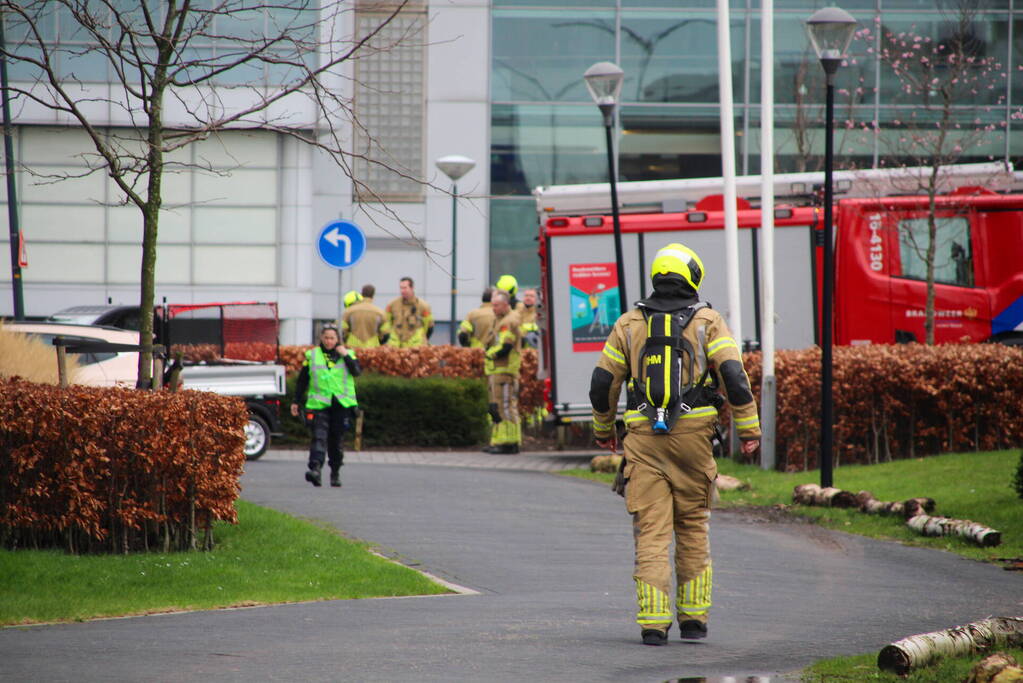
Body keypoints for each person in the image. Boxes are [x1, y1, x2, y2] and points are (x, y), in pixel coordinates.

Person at [588, 242, 761, 646]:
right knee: (693, 526)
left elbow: (601, 383)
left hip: (643, 440)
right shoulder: (708, 321)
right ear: (692, 277)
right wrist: (750, 430)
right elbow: (734, 377)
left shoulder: (629, 324)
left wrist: (603, 429)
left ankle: (652, 623)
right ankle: (694, 619)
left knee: (651, 533)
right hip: (694, 438)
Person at [291, 324, 361, 488]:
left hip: (341, 405)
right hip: (319, 405)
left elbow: (357, 371)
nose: (329, 341)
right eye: (326, 338)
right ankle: (315, 470)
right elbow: (303, 380)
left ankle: (335, 473)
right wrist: (296, 401)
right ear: (321, 338)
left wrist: (346, 356)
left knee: (336, 442)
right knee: (319, 437)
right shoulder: (313, 355)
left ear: (338, 340)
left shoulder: (348, 354)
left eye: (332, 338)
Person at [482, 290, 523, 454]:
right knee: (497, 407)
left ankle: (510, 442)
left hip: (505, 370)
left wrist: (489, 354)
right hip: (497, 369)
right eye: (492, 305)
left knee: (505, 407)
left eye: (496, 305)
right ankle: (500, 441)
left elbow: (505, 346)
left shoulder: (509, 320)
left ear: (506, 305)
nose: (493, 308)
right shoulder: (499, 320)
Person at [386, 276, 434, 347]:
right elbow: (386, 322)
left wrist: (422, 338)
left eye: (405, 288)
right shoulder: (392, 305)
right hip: (396, 347)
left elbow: (429, 326)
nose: (402, 291)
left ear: (412, 288)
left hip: (416, 347)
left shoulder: (423, 306)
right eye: (401, 288)